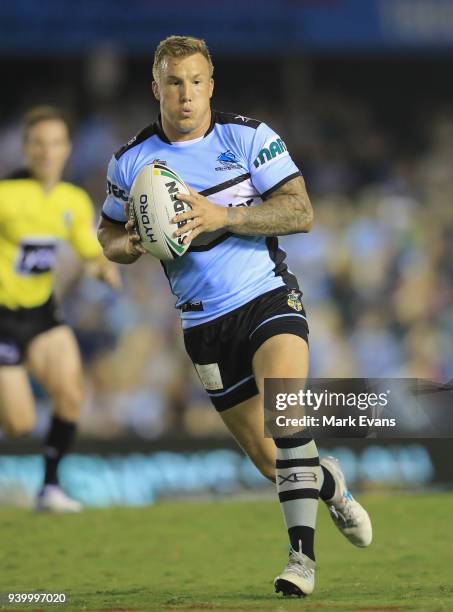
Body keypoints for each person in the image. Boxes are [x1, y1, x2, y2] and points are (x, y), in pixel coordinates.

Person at [98, 35, 372, 597]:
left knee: (286, 415)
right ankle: (330, 483)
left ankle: (301, 561)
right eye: (175, 83)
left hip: (268, 299)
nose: (187, 95)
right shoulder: (130, 161)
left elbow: (302, 212)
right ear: (157, 88)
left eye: (197, 82)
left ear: (211, 86)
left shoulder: (248, 137)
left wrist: (219, 215)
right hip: (203, 325)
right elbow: (107, 238)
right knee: (271, 462)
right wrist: (138, 239)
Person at [0, 106, 121, 512]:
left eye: (55, 143)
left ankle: (50, 488)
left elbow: (88, 247)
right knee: (18, 425)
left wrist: (101, 267)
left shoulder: (71, 200)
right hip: (2, 319)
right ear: (26, 148)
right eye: (39, 143)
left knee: (70, 393)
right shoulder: (6, 197)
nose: (47, 151)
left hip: (40, 314)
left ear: (67, 148)